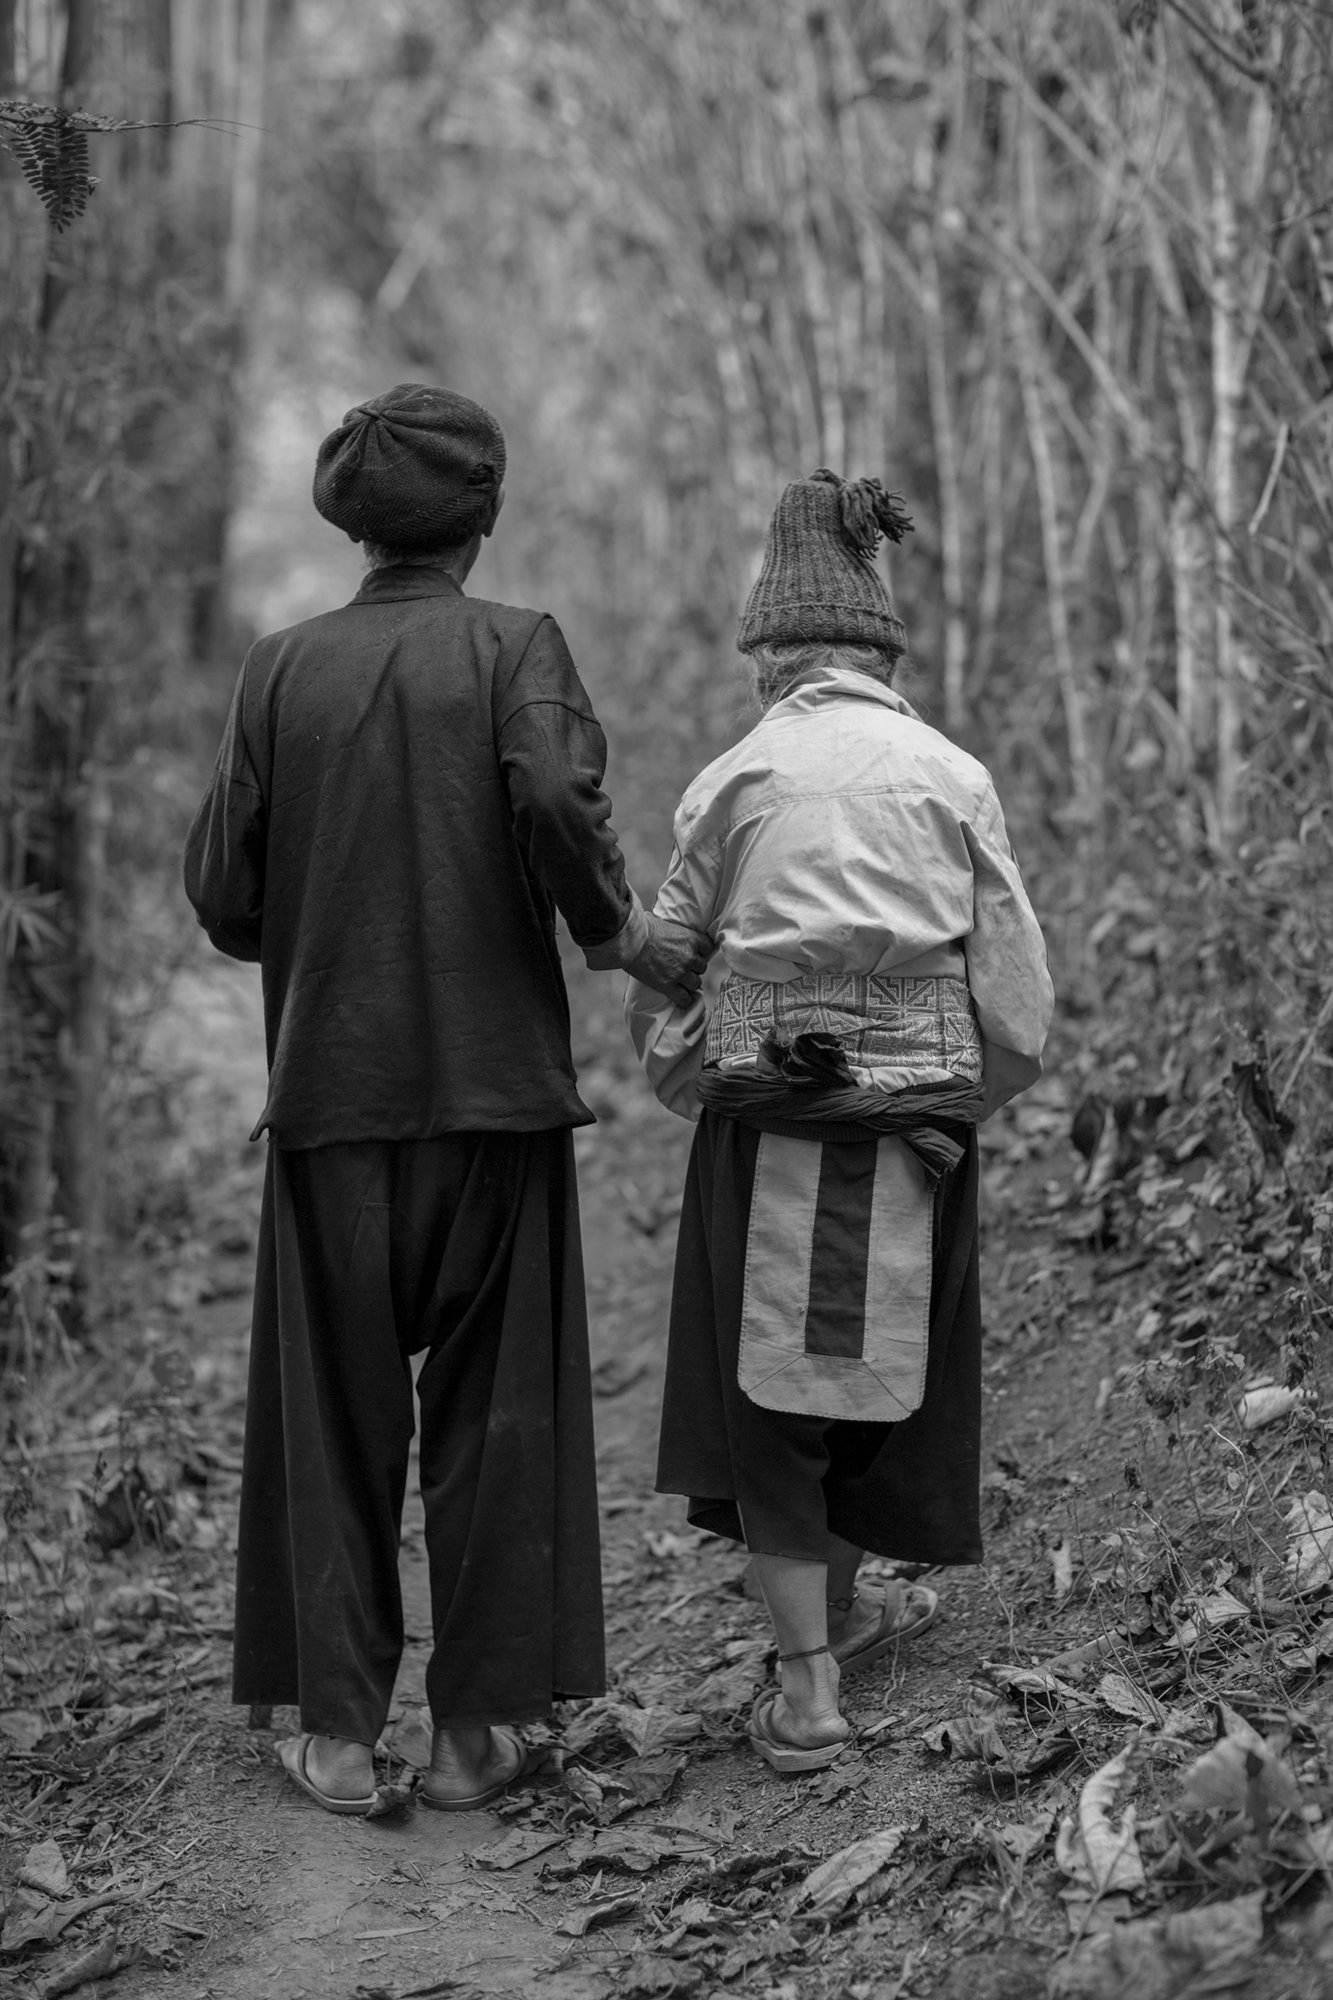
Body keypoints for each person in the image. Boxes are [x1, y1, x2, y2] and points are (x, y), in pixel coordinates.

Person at [184, 384, 711, 1816]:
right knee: (500, 1418)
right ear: (483, 517)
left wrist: (312, 918)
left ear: (347, 524)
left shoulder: (280, 670)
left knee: (333, 1421)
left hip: (329, 1102)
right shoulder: (512, 648)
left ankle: (340, 1738)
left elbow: (223, 894)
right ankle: (478, 1737)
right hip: (495, 1102)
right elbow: (549, 791)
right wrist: (607, 931)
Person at [627, 468, 1053, 1773]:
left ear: (774, 654)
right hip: (916, 1127)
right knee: (877, 1384)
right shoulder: (951, 776)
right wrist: (941, 1104)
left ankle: (805, 1685)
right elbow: (1021, 1013)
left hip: (763, 1128)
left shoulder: (734, 779)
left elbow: (674, 959)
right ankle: (842, 1607)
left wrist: (681, 1054)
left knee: (767, 1402)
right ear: (878, 651)